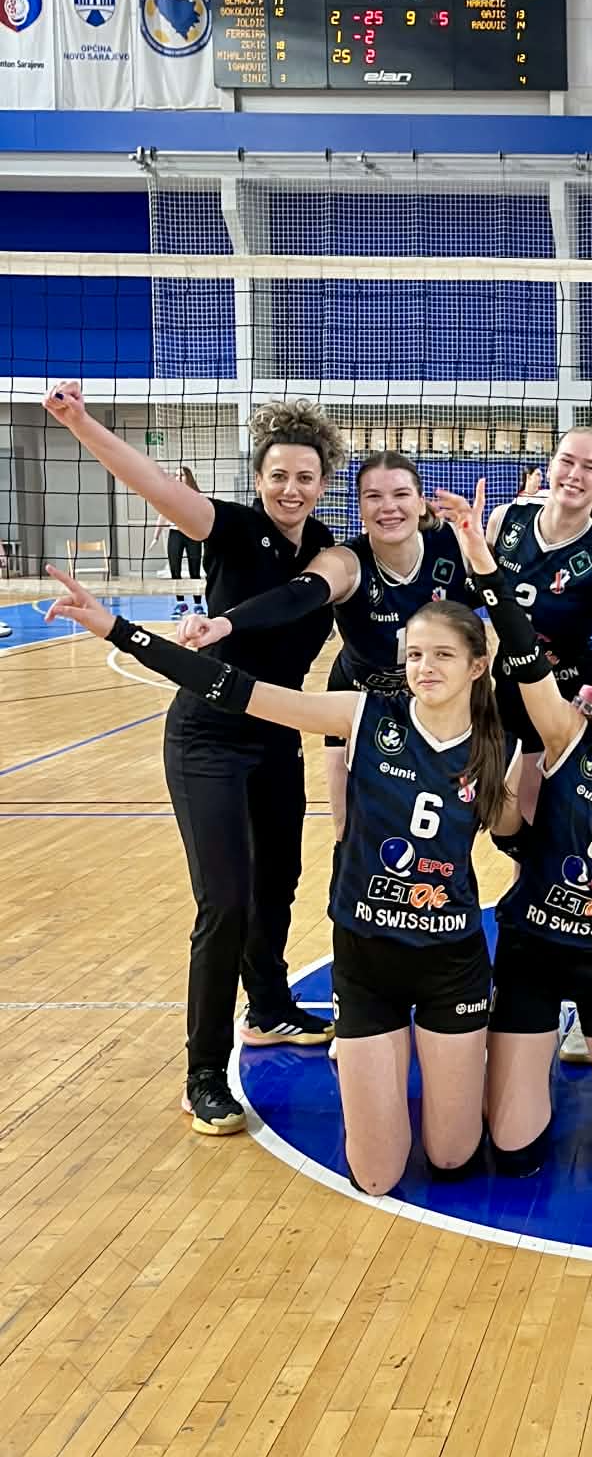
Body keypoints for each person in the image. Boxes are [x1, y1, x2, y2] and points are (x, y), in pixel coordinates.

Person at [43, 567, 517, 1181]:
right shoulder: (364, 715)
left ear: (477, 666)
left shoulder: (497, 744)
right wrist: (117, 629)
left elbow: (524, 832)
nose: (425, 667)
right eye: (415, 654)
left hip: (451, 960)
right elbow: (234, 688)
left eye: (443, 655)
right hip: (368, 957)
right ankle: (371, 1076)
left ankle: (464, 1072)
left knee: (453, 1157)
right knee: (376, 1175)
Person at [43, 381, 344, 1133]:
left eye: (305, 476)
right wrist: (81, 423)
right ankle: (203, 1071)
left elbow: (310, 601)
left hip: (275, 732)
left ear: (323, 482)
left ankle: (267, 1007)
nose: (291, 488)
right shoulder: (233, 528)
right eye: (278, 474)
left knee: (279, 880)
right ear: (259, 477)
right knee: (226, 900)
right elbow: (150, 482)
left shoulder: (328, 549)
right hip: (207, 735)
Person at [431, 484, 592, 1173]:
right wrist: (482, 559)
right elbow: (523, 651)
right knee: (513, 1151)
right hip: (530, 945)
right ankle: (520, 1057)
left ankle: (587, 1048)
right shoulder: (567, 733)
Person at [176, 450, 473, 836]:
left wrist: (480, 551)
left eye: (401, 494)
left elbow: (499, 597)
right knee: (349, 831)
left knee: (438, 829)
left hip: (433, 701)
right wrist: (225, 623)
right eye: (373, 496)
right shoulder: (345, 560)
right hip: (357, 700)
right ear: (360, 507)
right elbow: (296, 596)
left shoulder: (452, 544)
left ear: (420, 502)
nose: (388, 507)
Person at [484, 427, 592, 749]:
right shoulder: (504, 520)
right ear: (549, 467)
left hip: (571, 692)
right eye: (567, 461)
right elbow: (468, 593)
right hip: (508, 687)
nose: (574, 474)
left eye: (590, 467)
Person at [151, 468, 206, 613]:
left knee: (195, 571)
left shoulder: (198, 496)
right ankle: (180, 603)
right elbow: (162, 516)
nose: (178, 477)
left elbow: (205, 515)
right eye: (176, 475)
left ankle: (198, 604)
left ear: (188, 477)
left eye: (181, 475)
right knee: (175, 570)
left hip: (192, 534)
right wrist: (155, 537)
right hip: (175, 534)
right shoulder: (170, 496)